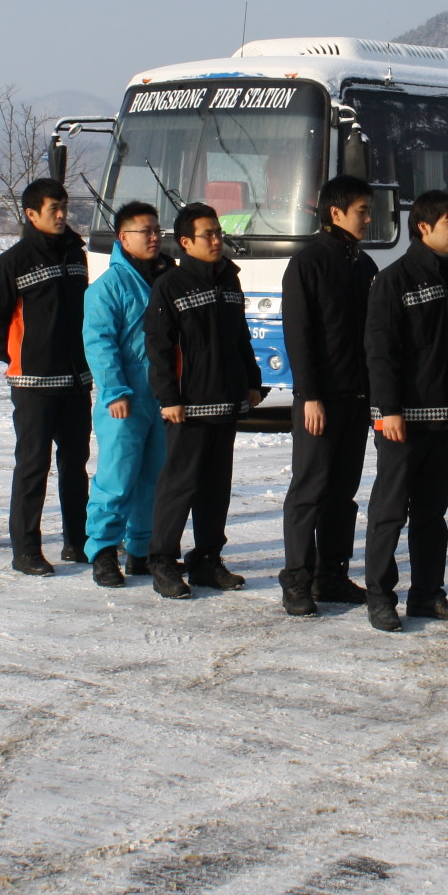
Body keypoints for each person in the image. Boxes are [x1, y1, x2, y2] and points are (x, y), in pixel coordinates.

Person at [362, 189, 448, 633]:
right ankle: (379, 596)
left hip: (442, 418)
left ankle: (427, 594)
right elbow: (380, 350)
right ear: (424, 227)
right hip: (401, 421)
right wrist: (388, 409)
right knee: (390, 511)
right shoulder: (394, 280)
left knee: (432, 514)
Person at [143, 202, 263, 599]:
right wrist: (168, 397)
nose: (216, 240)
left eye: (218, 233)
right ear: (185, 242)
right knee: (180, 484)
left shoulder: (229, 280)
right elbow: (159, 347)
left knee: (216, 486)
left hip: (226, 400)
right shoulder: (170, 286)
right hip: (188, 406)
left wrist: (252, 381)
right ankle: (162, 559)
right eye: (207, 235)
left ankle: (207, 559)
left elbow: (241, 336)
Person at [276, 175, 379, 616]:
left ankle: (331, 575)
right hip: (320, 399)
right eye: (362, 211)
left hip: (356, 397)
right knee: (310, 489)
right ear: (335, 213)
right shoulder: (308, 263)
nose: (368, 219)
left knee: (342, 492)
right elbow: (299, 335)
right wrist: (309, 395)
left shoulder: (365, 266)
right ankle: (297, 580)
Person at [0, 177, 93, 576]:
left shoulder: (77, 256)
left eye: (64, 208)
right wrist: (19, 356)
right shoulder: (11, 263)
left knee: (75, 465)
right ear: (31, 214)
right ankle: (26, 548)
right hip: (34, 384)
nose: (62, 215)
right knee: (32, 466)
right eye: (53, 209)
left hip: (76, 379)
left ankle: (77, 541)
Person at [81, 201, 173, 588]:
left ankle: (142, 551)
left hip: (163, 392)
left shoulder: (168, 278)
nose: (154, 237)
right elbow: (99, 342)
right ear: (123, 237)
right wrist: (115, 390)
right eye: (144, 231)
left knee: (155, 476)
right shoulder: (108, 287)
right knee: (117, 476)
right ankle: (103, 550)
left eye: (157, 230)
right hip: (126, 393)